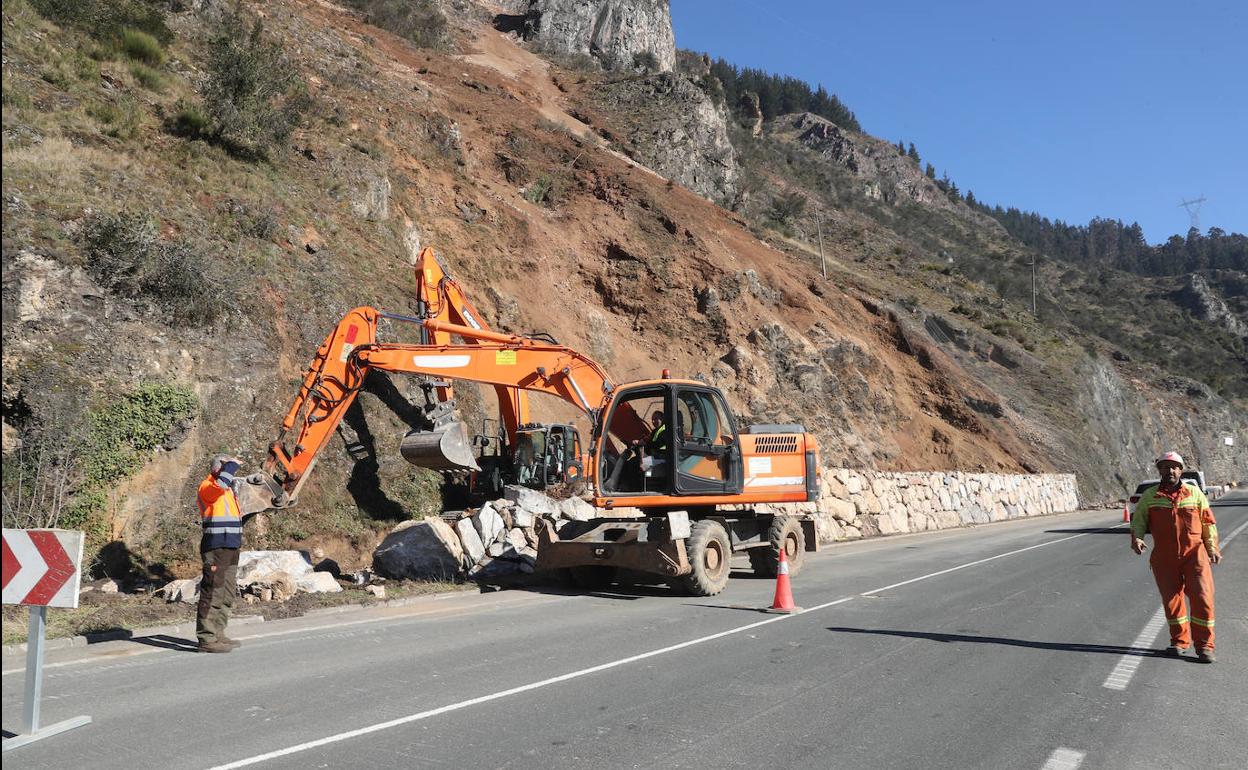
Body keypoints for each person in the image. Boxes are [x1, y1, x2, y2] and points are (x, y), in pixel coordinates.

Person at [1130, 451, 1222, 663]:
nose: (1170, 470)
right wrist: (1137, 538)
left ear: (1181, 470)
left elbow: (1208, 522)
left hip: (1195, 555)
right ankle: (1179, 642)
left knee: (1203, 599)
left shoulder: (1194, 494)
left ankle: (1205, 646)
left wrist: (1212, 548)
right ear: (1159, 470)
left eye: (1174, 467)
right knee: (1172, 602)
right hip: (1164, 557)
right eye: (1165, 467)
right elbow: (1139, 521)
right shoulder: (1150, 496)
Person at [196, 454, 249, 653]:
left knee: (226, 592)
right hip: (215, 546)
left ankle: (218, 633)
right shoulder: (208, 487)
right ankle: (206, 638)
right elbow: (219, 486)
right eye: (228, 467)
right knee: (213, 592)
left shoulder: (227, 491)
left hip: (231, 545)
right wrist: (232, 465)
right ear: (219, 468)